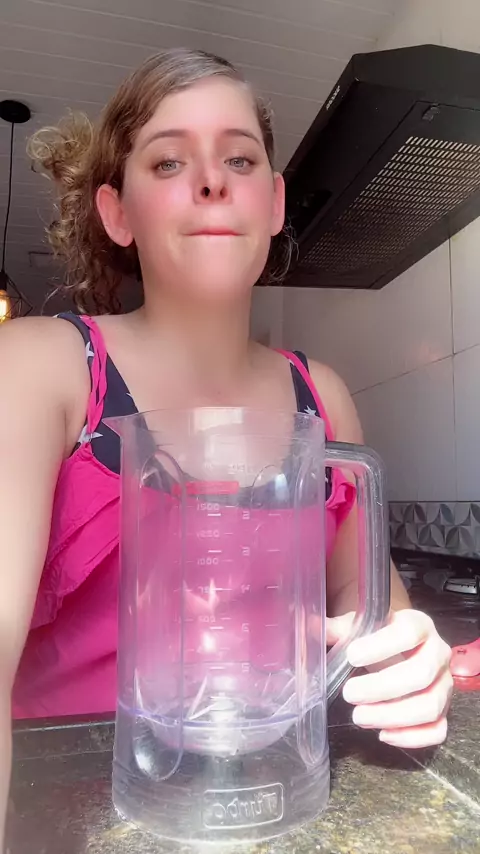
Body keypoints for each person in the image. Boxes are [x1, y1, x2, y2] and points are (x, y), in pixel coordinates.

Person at [0, 48, 452, 839]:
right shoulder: (42, 365)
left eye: (239, 159)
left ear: (274, 203)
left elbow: (374, 616)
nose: (212, 181)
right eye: (169, 160)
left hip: (285, 796)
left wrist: (409, 667)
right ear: (117, 212)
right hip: (70, 805)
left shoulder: (323, 396)